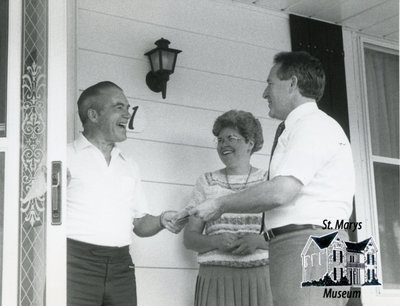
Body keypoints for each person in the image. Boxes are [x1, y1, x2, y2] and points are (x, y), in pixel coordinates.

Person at [187, 52, 355, 306]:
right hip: (299, 245)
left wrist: (219, 204)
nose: (265, 94)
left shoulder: (313, 126)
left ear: (292, 83)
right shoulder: (304, 126)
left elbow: (280, 192)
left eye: (269, 83)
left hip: (310, 245)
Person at [67, 81, 186, 306]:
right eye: (119, 107)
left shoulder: (128, 165)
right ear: (93, 114)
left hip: (121, 265)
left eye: (128, 107)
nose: (128, 114)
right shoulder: (63, 156)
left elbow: (139, 223)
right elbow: (33, 215)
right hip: (74, 264)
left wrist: (162, 220)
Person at [183, 110, 273, 306]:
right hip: (215, 278)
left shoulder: (269, 181)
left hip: (259, 278)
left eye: (231, 138)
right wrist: (216, 241)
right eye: (220, 139)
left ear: (250, 143)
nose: (223, 144)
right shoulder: (206, 181)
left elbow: (285, 238)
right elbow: (189, 239)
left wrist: (257, 241)